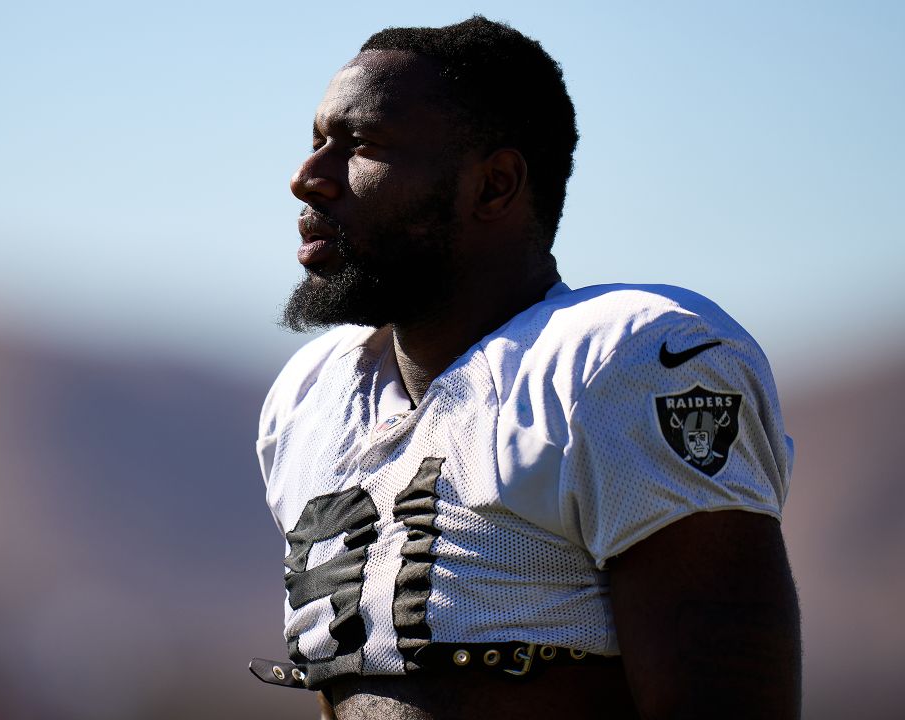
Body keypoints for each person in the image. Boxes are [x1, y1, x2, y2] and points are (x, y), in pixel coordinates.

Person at [250, 15, 800, 720]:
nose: (309, 179)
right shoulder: (310, 399)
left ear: (494, 185)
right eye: (317, 142)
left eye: (362, 146)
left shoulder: (627, 362)